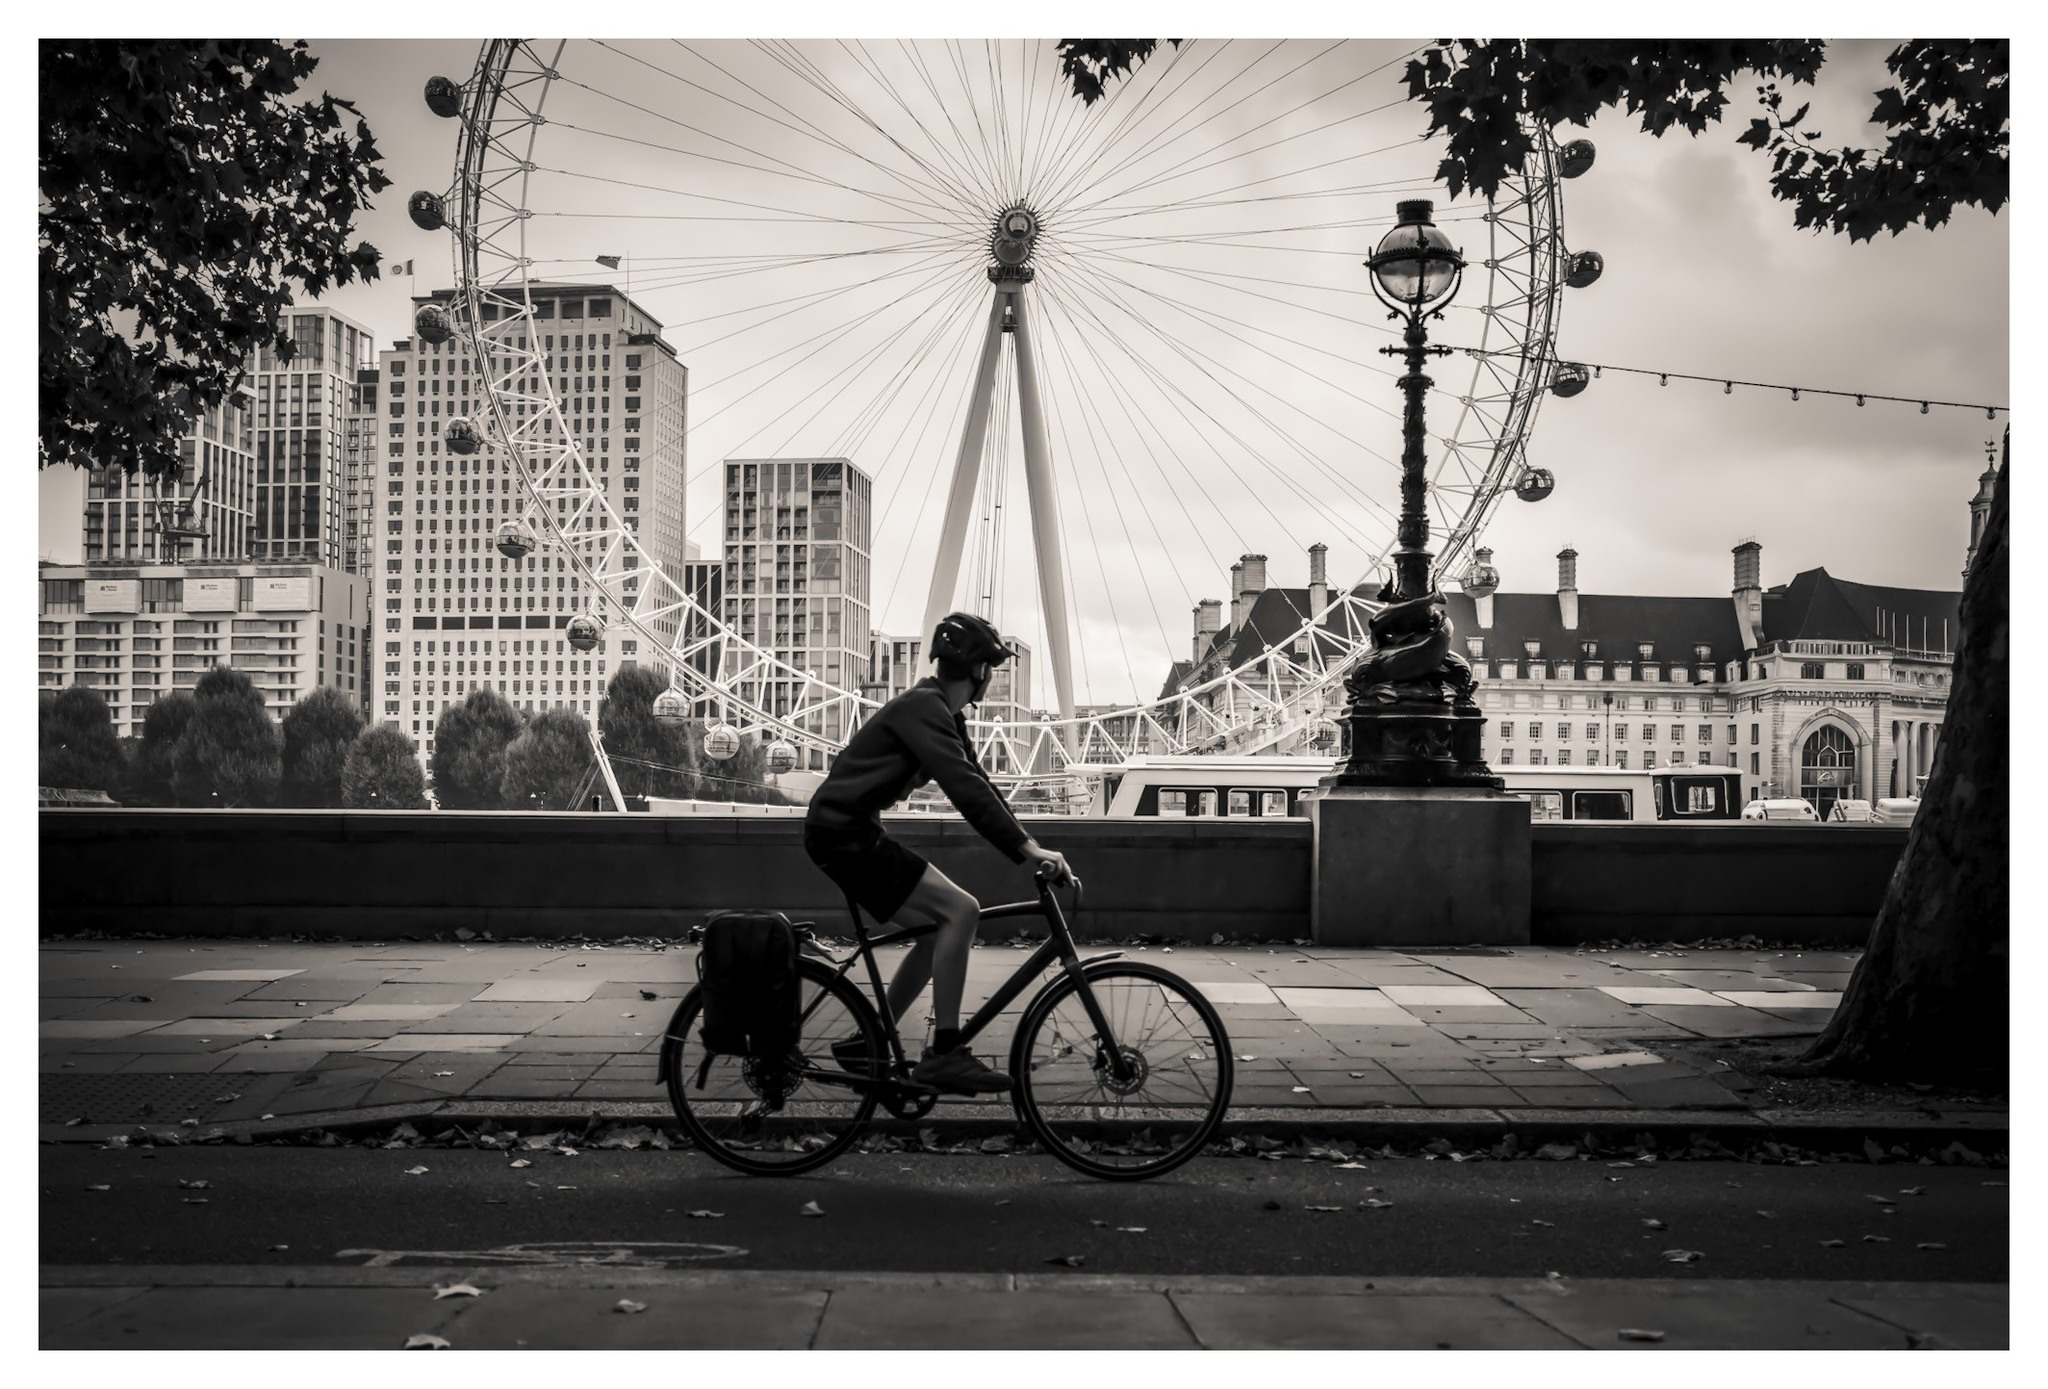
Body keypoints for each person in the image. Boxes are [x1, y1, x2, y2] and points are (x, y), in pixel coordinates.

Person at [803, 611, 1072, 1094]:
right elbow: (964, 788)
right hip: (844, 835)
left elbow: (980, 784)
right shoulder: (925, 708)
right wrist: (1029, 852)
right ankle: (944, 1053)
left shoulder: (938, 710)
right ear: (980, 671)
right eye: (990, 669)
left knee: (937, 929)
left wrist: (1029, 845)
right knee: (961, 911)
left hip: (847, 830)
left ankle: (869, 1041)